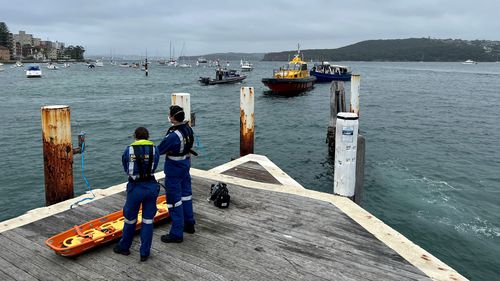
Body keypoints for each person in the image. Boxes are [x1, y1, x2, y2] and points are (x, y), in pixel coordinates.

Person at [113, 127, 160, 262]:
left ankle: (124, 247)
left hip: (135, 187)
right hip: (151, 187)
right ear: (148, 136)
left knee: (130, 218)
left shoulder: (128, 150)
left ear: (135, 136)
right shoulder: (154, 149)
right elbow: (155, 164)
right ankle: (144, 252)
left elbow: (125, 166)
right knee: (148, 220)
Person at [158, 105, 196, 243]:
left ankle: (176, 233)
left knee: (174, 200)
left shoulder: (174, 135)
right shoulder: (188, 129)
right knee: (186, 195)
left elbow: (160, 150)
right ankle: (189, 223)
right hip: (185, 165)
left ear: (173, 117)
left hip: (174, 168)